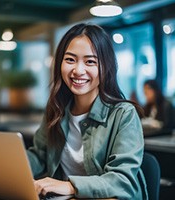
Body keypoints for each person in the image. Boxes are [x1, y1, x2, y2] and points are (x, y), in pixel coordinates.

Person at [27, 24, 148, 199]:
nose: (78, 70)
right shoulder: (56, 109)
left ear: (106, 67)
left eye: (90, 61)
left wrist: (70, 186)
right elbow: (39, 155)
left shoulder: (124, 114)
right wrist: (8, 167)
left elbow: (122, 180)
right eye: (70, 60)